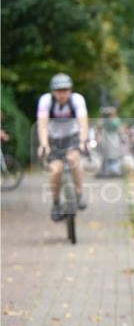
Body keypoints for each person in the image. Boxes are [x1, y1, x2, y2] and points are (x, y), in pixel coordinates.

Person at [36, 73, 88, 221]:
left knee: (73, 159)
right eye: (59, 91)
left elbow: (82, 122)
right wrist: (44, 144)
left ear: (70, 90)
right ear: (53, 91)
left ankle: (79, 194)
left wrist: (83, 141)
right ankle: (56, 203)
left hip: (71, 136)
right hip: (53, 139)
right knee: (55, 170)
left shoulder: (77, 100)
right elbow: (42, 125)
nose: (62, 94)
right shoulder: (45, 101)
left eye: (65, 90)